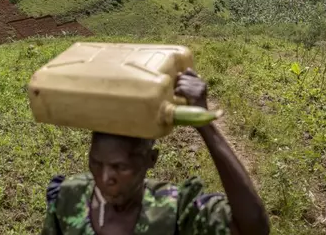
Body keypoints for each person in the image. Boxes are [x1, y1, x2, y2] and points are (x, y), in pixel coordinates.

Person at [41, 69, 270, 235]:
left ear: (151, 160)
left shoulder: (173, 211)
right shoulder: (69, 198)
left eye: (120, 167)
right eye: (96, 163)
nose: (104, 178)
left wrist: (205, 124)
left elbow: (253, 227)